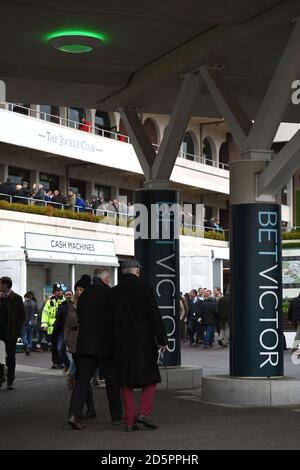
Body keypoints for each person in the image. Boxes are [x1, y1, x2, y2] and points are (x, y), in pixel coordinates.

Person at [109, 259, 167, 432]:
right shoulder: (145, 289)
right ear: (136, 271)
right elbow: (154, 314)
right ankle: (143, 413)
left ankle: (129, 421)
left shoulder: (114, 292)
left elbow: (109, 320)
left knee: (125, 383)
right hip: (143, 342)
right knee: (151, 379)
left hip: (120, 344)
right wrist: (162, 339)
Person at [68, 267, 123, 430]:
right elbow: (115, 320)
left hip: (85, 345)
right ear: (106, 279)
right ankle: (117, 416)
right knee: (112, 381)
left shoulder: (84, 295)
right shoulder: (110, 294)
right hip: (106, 345)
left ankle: (74, 414)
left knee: (82, 381)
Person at [64, 276, 97, 417]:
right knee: (81, 376)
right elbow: (68, 324)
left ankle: (89, 408)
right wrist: (67, 340)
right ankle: (90, 407)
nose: (78, 292)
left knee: (82, 376)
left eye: (81, 289)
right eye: (77, 289)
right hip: (74, 344)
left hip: (86, 343)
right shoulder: (72, 305)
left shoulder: (90, 304)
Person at [0, 277, 25, 389]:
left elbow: (22, 315)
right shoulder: (0, 298)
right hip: (0, 333)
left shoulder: (17, 298)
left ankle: (10, 379)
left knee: (10, 357)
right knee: (0, 357)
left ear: (5, 285)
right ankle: (1, 378)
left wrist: (17, 328)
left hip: (11, 333)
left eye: (0, 284)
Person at [41, 283, 64, 368]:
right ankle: (55, 362)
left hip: (62, 327)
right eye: (57, 291)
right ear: (54, 292)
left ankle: (61, 361)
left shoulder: (64, 301)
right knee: (54, 346)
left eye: (60, 290)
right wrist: (44, 324)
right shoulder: (49, 302)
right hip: (52, 327)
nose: (59, 292)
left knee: (61, 346)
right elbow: (45, 314)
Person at [21, 291, 38, 355]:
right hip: (33, 322)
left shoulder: (23, 304)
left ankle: (27, 345)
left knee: (22, 335)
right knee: (29, 336)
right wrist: (35, 321)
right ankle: (29, 348)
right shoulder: (35, 303)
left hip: (24, 322)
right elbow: (36, 314)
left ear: (25, 297)